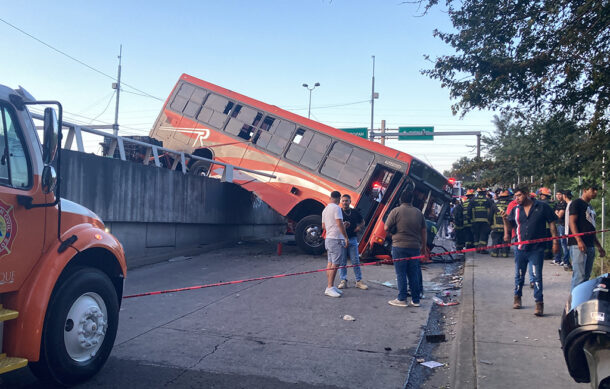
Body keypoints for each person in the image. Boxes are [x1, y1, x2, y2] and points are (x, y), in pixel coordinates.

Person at [503, 186, 559, 316]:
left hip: (537, 248)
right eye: (515, 196)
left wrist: (555, 242)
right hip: (520, 248)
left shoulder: (542, 207)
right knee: (519, 275)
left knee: (537, 276)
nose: (517, 199)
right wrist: (505, 220)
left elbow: (552, 224)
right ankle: (517, 298)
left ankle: (539, 304)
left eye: (519, 195)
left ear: (527, 194)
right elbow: (510, 225)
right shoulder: (516, 210)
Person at [384, 190, 427, 307]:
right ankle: (416, 300)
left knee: (401, 273)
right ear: (412, 200)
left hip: (399, 246)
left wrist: (392, 235)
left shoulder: (396, 211)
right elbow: (423, 231)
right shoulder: (418, 213)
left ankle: (402, 298)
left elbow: (386, 227)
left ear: (400, 199)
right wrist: (423, 247)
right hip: (415, 247)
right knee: (413, 273)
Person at [568, 183, 606, 290]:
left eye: (596, 190)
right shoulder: (576, 203)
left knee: (586, 277)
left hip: (590, 244)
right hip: (578, 244)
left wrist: (599, 246)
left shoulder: (590, 206)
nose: (595, 192)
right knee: (579, 276)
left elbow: (591, 228)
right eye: (593, 189)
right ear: (585, 190)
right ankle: (574, 304)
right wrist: (579, 240)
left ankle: (582, 301)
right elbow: (572, 222)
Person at [321, 190, 349, 298]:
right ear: (338, 198)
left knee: (330, 262)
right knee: (336, 264)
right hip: (336, 239)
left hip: (328, 238)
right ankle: (329, 287)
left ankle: (330, 286)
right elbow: (338, 223)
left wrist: (340, 225)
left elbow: (324, 226)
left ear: (330, 197)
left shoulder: (325, 209)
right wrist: (345, 237)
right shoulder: (337, 208)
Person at [337, 194, 368, 290]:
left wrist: (359, 227)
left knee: (355, 261)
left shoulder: (354, 212)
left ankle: (358, 281)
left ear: (350, 202)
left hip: (353, 239)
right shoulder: (338, 212)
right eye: (343, 201)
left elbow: (363, 221)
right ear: (341, 202)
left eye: (347, 201)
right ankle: (343, 281)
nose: (345, 203)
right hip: (341, 239)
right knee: (342, 261)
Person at [468, 187, 493, 253]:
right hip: (485, 221)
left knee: (476, 234)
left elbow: (469, 211)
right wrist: (490, 221)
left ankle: (477, 249)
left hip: (475, 221)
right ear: (484, 192)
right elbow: (492, 211)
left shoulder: (472, 200)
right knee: (484, 234)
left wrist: (470, 220)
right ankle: (482, 249)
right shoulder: (488, 200)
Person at [490, 190, 511, 257]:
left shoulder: (495, 205)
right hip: (507, 226)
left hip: (496, 226)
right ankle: (504, 253)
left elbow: (490, 216)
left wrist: (491, 225)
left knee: (496, 239)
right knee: (505, 240)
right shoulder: (510, 204)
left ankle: (495, 253)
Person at [553, 190, 570, 266]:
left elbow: (559, 215)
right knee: (559, 242)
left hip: (563, 225)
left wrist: (556, 212)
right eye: (557, 194)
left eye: (559, 194)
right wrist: (557, 212)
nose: (558, 196)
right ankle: (558, 259)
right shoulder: (558, 204)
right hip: (558, 224)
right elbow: (556, 212)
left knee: (564, 243)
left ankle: (566, 260)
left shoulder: (565, 204)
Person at [563, 190, 574, 270]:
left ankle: (571, 264)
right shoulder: (569, 204)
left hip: (569, 231)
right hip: (568, 230)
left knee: (570, 248)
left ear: (564, 196)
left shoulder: (570, 205)